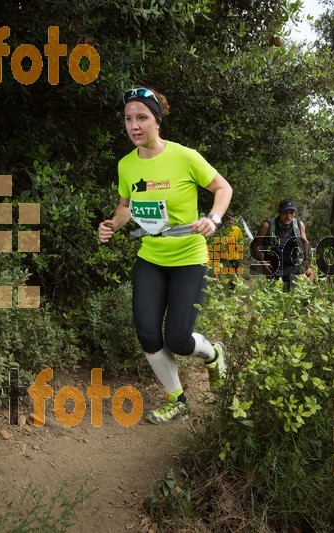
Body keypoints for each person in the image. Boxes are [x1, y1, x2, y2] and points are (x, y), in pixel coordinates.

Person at [98, 87, 233, 424]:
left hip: (189, 258)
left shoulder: (185, 157)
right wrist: (112, 225)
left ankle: (214, 353)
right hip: (151, 258)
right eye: (129, 119)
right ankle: (177, 399)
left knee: (178, 338)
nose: (134, 125)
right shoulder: (127, 165)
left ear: (156, 121)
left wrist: (213, 219)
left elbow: (223, 188)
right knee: (147, 334)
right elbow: (125, 206)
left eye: (142, 117)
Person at [250, 199, 312, 290]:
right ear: (279, 212)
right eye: (285, 212)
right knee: (272, 296)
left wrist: (307, 264)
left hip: (292, 266)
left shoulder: (299, 225)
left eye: (291, 213)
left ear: (295, 213)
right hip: (273, 267)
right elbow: (254, 245)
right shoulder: (267, 225)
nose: (288, 216)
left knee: (290, 295)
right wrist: (263, 262)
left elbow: (305, 243)